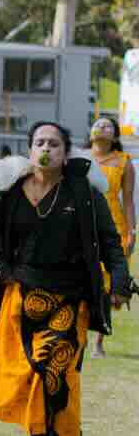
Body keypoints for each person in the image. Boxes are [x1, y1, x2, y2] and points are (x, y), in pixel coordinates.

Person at [0, 121, 132, 436]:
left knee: (50, 370)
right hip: (21, 299)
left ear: (66, 152)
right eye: (40, 142)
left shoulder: (83, 192)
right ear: (29, 150)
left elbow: (109, 241)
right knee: (29, 380)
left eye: (55, 143)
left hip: (69, 299)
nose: (47, 148)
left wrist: (119, 280)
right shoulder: (8, 188)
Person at [86, 115, 134, 358]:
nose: (101, 126)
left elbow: (128, 201)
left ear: (114, 136)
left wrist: (131, 231)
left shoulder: (124, 162)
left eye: (107, 125)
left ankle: (98, 341)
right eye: (98, 123)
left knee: (107, 287)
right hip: (82, 225)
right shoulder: (79, 158)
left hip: (113, 227)